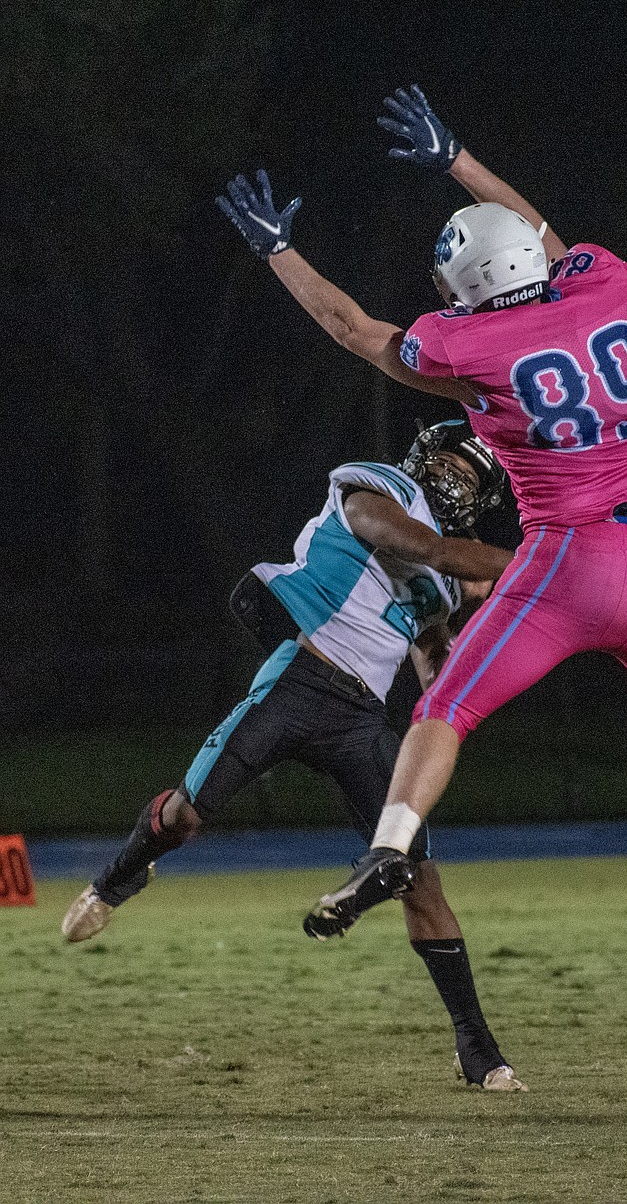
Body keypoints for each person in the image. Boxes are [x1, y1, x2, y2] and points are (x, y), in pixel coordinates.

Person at [214, 84, 627, 940]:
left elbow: (353, 328)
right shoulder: (607, 287)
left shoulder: (472, 346)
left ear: (465, 289)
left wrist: (277, 252)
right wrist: (458, 159)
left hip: (566, 560)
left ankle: (390, 847)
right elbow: (540, 238)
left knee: (441, 711)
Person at [61, 421, 529, 1092]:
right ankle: (116, 878)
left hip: (362, 715)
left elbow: (433, 653)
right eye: (452, 462)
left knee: (415, 875)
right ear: (425, 456)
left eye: (472, 477)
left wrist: (456, 691)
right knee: (187, 814)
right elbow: (428, 547)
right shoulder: (374, 491)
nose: (456, 479)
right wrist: (529, 564)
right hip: (300, 677)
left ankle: (475, 1045)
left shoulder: (444, 573)